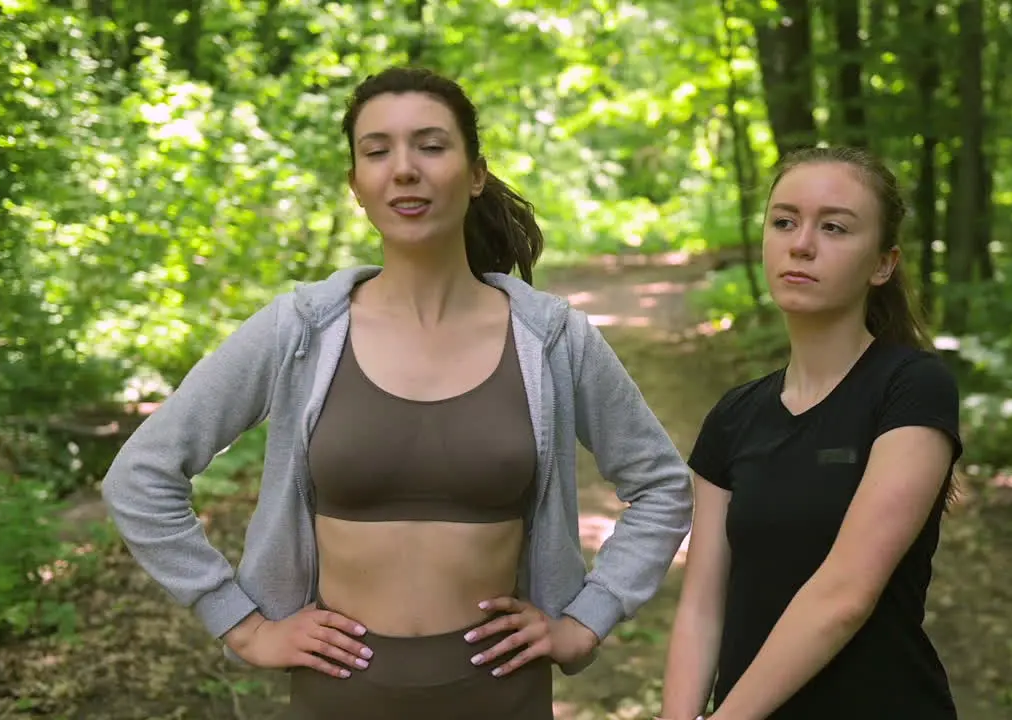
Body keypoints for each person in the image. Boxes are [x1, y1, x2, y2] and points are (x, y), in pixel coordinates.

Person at [101, 66, 693, 719]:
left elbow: (662, 486)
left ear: (474, 173)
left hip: (502, 700)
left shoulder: (551, 339)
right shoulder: (300, 330)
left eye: (431, 146)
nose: (403, 169)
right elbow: (141, 477)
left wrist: (586, 618)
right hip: (337, 701)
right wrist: (244, 625)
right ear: (357, 184)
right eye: (376, 151)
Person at [657, 145, 963, 720]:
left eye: (835, 227)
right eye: (784, 221)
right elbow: (703, 606)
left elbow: (845, 596)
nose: (801, 243)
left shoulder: (913, 388)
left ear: (883, 264)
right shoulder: (734, 415)